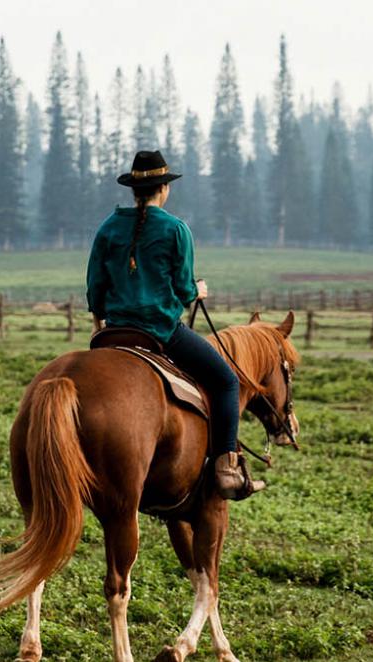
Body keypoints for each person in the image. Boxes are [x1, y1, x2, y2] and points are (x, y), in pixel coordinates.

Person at [86, 150, 259, 500]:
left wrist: (98, 323)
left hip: (113, 332)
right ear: (163, 189)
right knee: (226, 380)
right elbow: (182, 290)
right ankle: (226, 467)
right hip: (159, 332)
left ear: (134, 191)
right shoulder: (176, 229)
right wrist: (198, 290)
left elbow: (95, 286)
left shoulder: (108, 227)